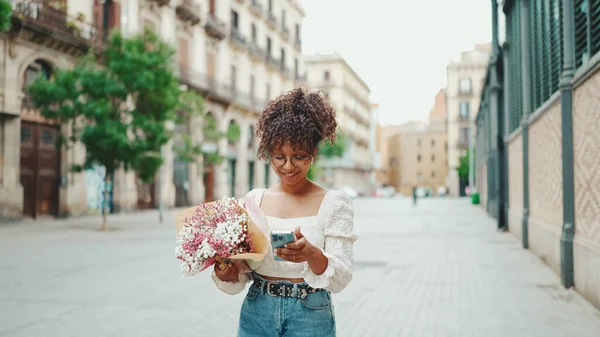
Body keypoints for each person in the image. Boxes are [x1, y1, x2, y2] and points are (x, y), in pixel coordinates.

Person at [211, 88, 357, 337]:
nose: (288, 166)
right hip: (257, 311)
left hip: (310, 313)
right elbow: (243, 269)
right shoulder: (254, 200)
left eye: (298, 156)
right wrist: (226, 270)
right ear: (268, 153)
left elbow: (340, 275)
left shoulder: (334, 203)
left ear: (313, 154)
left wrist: (311, 253)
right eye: (279, 157)